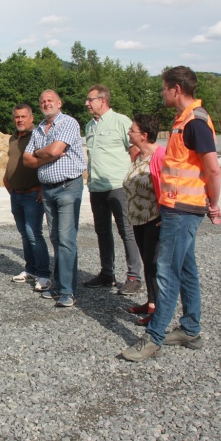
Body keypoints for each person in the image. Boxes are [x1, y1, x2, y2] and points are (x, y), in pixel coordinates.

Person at [121, 66, 221, 362]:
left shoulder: (196, 121)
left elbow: (212, 168)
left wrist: (213, 203)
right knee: (186, 269)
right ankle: (190, 329)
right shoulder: (183, 121)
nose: (161, 92)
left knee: (165, 271)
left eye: (164, 87)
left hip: (183, 209)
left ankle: (153, 338)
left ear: (176, 88)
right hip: (178, 207)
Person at [24, 90, 87, 308]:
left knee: (66, 238)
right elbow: (26, 160)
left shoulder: (69, 123)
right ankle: (59, 285)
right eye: (42, 101)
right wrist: (47, 152)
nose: (46, 103)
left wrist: (42, 153)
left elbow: (56, 150)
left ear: (59, 103)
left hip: (68, 187)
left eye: (50, 100)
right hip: (48, 189)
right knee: (56, 238)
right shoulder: (39, 128)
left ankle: (68, 290)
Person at [83, 84, 144, 294]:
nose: (87, 104)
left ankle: (134, 276)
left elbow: (135, 147)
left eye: (90, 100)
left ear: (102, 100)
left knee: (126, 231)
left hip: (118, 186)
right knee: (102, 232)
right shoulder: (90, 126)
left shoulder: (121, 121)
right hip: (96, 187)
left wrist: (134, 176)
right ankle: (107, 273)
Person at [122, 114, 166, 326]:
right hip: (138, 219)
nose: (129, 133)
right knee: (148, 263)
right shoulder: (139, 155)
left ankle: (157, 311)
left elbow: (168, 187)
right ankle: (151, 303)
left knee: (154, 264)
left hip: (154, 219)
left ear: (144, 135)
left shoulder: (160, 156)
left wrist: (166, 214)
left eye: (132, 130)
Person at [4, 104, 52, 292]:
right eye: (17, 117)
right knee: (24, 233)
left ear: (31, 118)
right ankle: (30, 269)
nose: (20, 120)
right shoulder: (12, 138)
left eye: (23, 116)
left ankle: (44, 274)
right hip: (16, 194)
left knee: (34, 234)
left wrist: (43, 188)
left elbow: (47, 160)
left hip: (33, 193)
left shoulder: (38, 136)